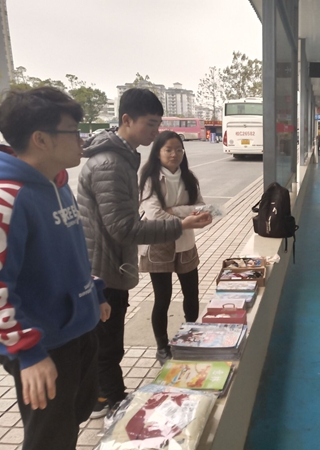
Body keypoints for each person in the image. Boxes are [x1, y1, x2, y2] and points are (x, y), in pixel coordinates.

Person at [77, 88, 212, 418]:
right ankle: (109, 400)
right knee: (108, 343)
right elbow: (124, 227)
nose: (156, 132)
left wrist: (179, 218)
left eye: (158, 124)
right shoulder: (110, 164)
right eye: (150, 124)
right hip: (103, 269)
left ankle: (105, 396)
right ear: (126, 120)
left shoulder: (123, 158)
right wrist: (181, 224)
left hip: (112, 265)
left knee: (110, 340)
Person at [0, 87, 111, 449]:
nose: (82, 140)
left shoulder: (58, 184)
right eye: (74, 132)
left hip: (78, 331)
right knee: (50, 440)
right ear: (41, 139)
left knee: (73, 420)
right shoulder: (8, 198)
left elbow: (69, 253)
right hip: (42, 345)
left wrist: (94, 293)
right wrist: (28, 353)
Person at [138, 131, 206, 365]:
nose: (174, 154)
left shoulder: (189, 177)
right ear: (158, 152)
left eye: (178, 149)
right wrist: (186, 216)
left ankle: (191, 336)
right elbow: (154, 214)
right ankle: (162, 347)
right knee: (162, 298)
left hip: (185, 243)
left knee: (192, 293)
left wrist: (174, 211)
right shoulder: (149, 178)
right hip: (158, 244)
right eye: (168, 149)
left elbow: (202, 207)